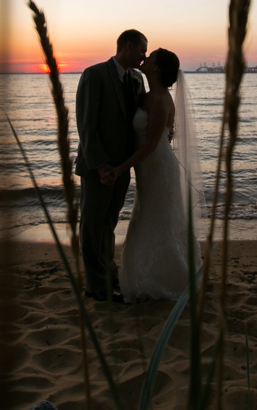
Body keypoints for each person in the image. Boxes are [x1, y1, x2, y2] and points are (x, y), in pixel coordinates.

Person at [112, 48, 203, 302]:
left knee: (158, 219)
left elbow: (152, 144)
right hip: (149, 168)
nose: (145, 59)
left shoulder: (161, 99)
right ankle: (149, 276)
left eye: (150, 57)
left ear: (157, 68)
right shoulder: (147, 95)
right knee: (150, 217)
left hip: (159, 168)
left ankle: (168, 279)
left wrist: (120, 168)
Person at [74, 29, 147, 303]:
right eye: (142, 50)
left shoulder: (137, 79)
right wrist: (100, 165)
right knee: (93, 225)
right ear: (128, 46)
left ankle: (108, 272)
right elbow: (86, 124)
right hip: (98, 168)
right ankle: (95, 286)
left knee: (110, 222)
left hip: (123, 167)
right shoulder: (95, 74)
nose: (144, 56)